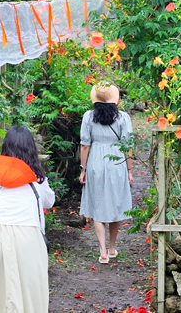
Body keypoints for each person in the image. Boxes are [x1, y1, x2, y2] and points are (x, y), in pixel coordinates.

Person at [0, 126, 55, 313]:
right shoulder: (37, 176)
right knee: (28, 295)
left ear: (5, 146)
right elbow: (49, 201)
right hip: (26, 236)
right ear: (31, 148)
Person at [78, 84, 133, 264]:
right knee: (115, 203)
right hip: (116, 161)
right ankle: (112, 247)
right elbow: (128, 146)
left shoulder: (88, 117)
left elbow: (85, 145)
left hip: (95, 162)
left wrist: (83, 169)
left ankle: (102, 251)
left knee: (98, 205)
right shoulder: (123, 117)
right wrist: (130, 170)